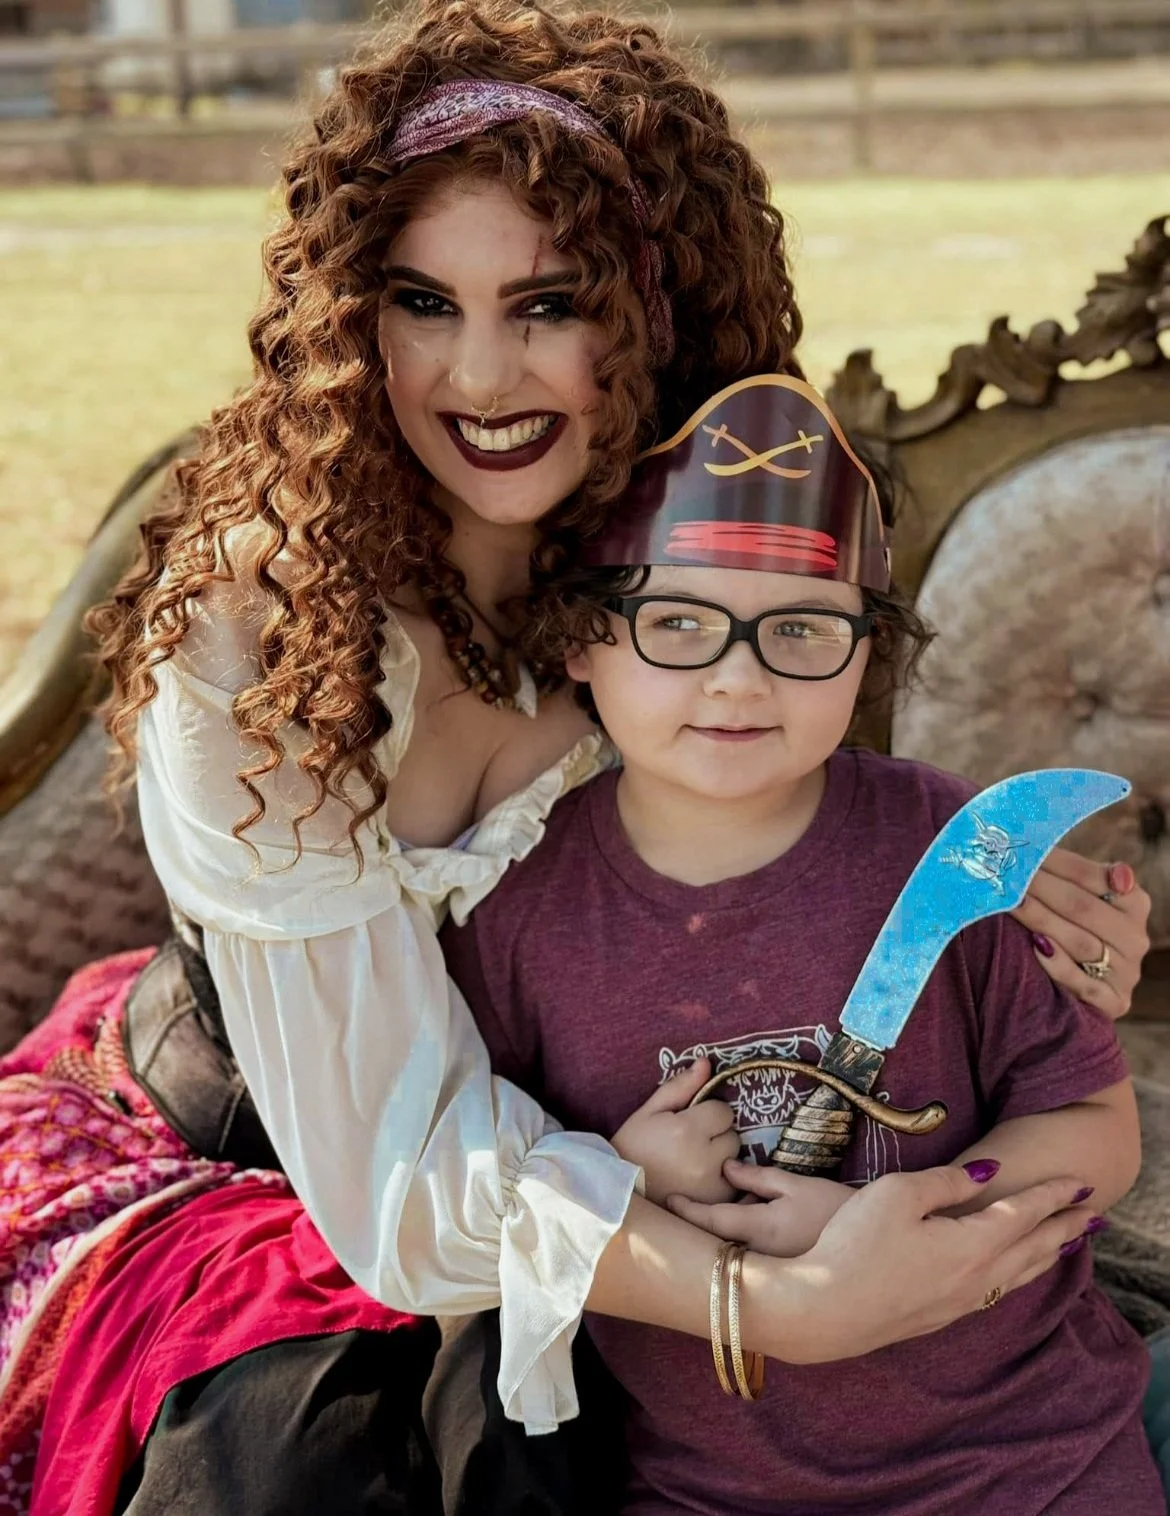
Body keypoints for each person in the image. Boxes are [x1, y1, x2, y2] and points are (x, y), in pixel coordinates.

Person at [0, 4, 1149, 1513]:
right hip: (285, 1171)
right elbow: (392, 1183)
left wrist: (1004, 908)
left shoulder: (688, 550)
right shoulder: (269, 626)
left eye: (547, 304)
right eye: (423, 301)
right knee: (323, 1468)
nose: (480, 376)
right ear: (352, 314)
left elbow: (807, 855)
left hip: (622, 1136)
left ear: (651, 308)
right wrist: (780, 1307)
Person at [440, 373, 1163, 1513]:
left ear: (866, 651)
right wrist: (623, 1175)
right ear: (580, 638)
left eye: (802, 629)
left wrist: (912, 1213)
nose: (740, 675)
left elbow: (1097, 1133)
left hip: (1030, 1457)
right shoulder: (516, 907)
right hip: (699, 1485)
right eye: (676, 623)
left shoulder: (952, 847)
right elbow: (482, 1192)